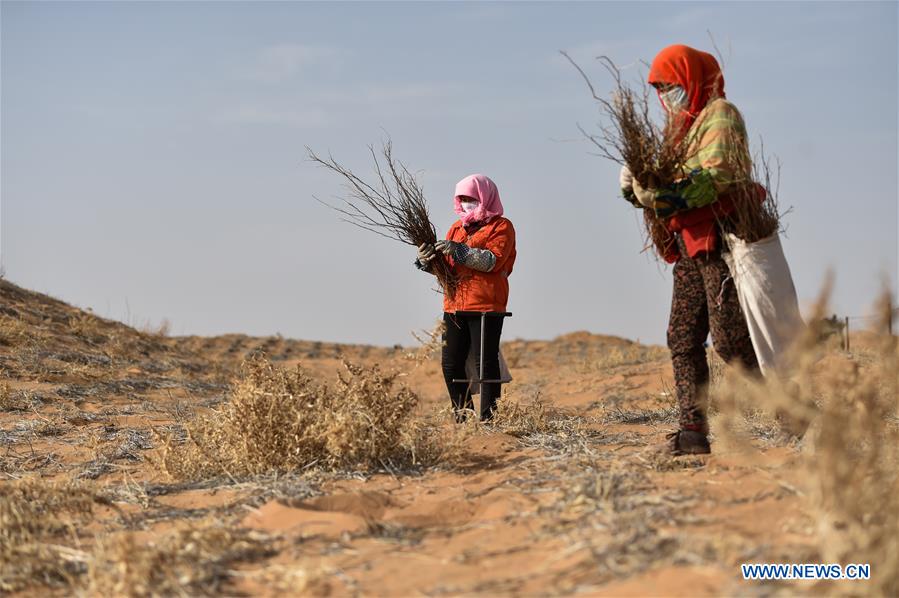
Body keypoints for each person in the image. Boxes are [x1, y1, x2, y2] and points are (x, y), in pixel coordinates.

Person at [619, 44, 759, 455]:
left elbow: (714, 179)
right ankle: (692, 432)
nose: (666, 95)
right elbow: (659, 189)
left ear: (692, 79)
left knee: (731, 342)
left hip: (721, 242)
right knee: (681, 337)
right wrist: (634, 188)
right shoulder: (676, 130)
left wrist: (656, 195)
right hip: (687, 247)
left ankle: (792, 411)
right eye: (660, 88)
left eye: (672, 85)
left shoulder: (721, 115)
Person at [415, 174, 516, 422]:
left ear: (485, 197)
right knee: (450, 365)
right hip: (454, 305)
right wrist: (426, 261)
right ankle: (463, 417)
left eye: (472, 198)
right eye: (463, 198)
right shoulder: (456, 228)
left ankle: (488, 419)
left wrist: (459, 250)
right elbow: (448, 270)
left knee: (486, 365)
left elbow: (492, 261)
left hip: (487, 305)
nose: (467, 203)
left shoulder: (502, 227)